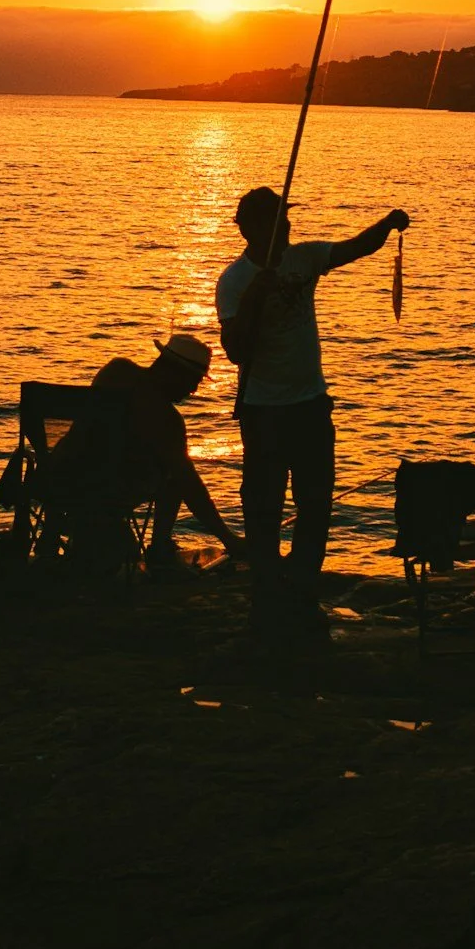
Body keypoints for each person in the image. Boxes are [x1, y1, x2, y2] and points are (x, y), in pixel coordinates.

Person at [215, 186, 408, 640]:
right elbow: (235, 351)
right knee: (263, 508)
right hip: (263, 411)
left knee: (316, 504)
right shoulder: (235, 282)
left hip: (311, 406)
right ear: (252, 229)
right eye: (278, 221)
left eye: (287, 219)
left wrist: (386, 224)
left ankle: (302, 591)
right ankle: (266, 598)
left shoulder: (304, 257)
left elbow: (355, 249)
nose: (288, 226)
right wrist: (255, 298)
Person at [87, 334, 246, 567]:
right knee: (176, 477)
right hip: (107, 490)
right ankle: (160, 547)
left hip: (59, 476)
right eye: (194, 380)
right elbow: (190, 485)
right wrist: (228, 538)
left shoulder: (115, 371)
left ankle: (50, 543)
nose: (193, 390)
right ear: (175, 372)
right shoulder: (166, 418)